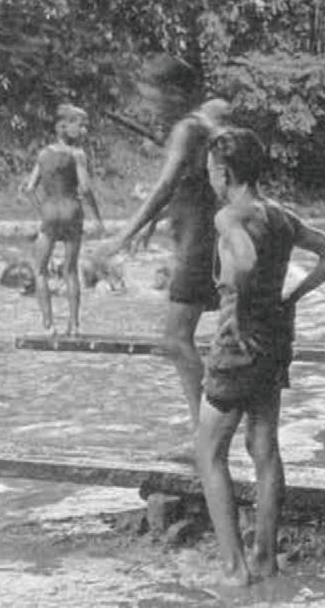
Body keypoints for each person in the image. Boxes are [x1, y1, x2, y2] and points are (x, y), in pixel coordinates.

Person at [195, 127, 325, 587]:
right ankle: (265, 558)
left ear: (224, 172)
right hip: (276, 344)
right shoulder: (281, 217)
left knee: (208, 452)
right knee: (264, 450)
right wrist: (293, 296)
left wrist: (239, 311)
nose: (210, 178)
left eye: (210, 170)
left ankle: (233, 569)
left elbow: (242, 262)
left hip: (236, 348)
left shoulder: (229, 216)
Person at [99, 56, 231, 450]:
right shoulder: (203, 127)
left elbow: (165, 185)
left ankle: (205, 434)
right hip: (208, 239)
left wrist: (122, 235)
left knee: (176, 338)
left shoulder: (187, 128)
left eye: (152, 96)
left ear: (173, 92)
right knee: (188, 337)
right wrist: (152, 225)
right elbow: (190, 185)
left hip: (199, 243)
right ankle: (208, 431)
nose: (150, 105)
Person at [22, 103, 106, 335]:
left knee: (40, 271)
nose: (84, 130)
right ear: (63, 126)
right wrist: (98, 219)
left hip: (49, 211)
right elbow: (86, 189)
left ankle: (48, 326)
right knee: (70, 270)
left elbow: (29, 188)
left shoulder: (43, 154)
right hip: (71, 211)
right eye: (80, 125)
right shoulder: (77, 154)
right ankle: (74, 325)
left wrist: (42, 210)